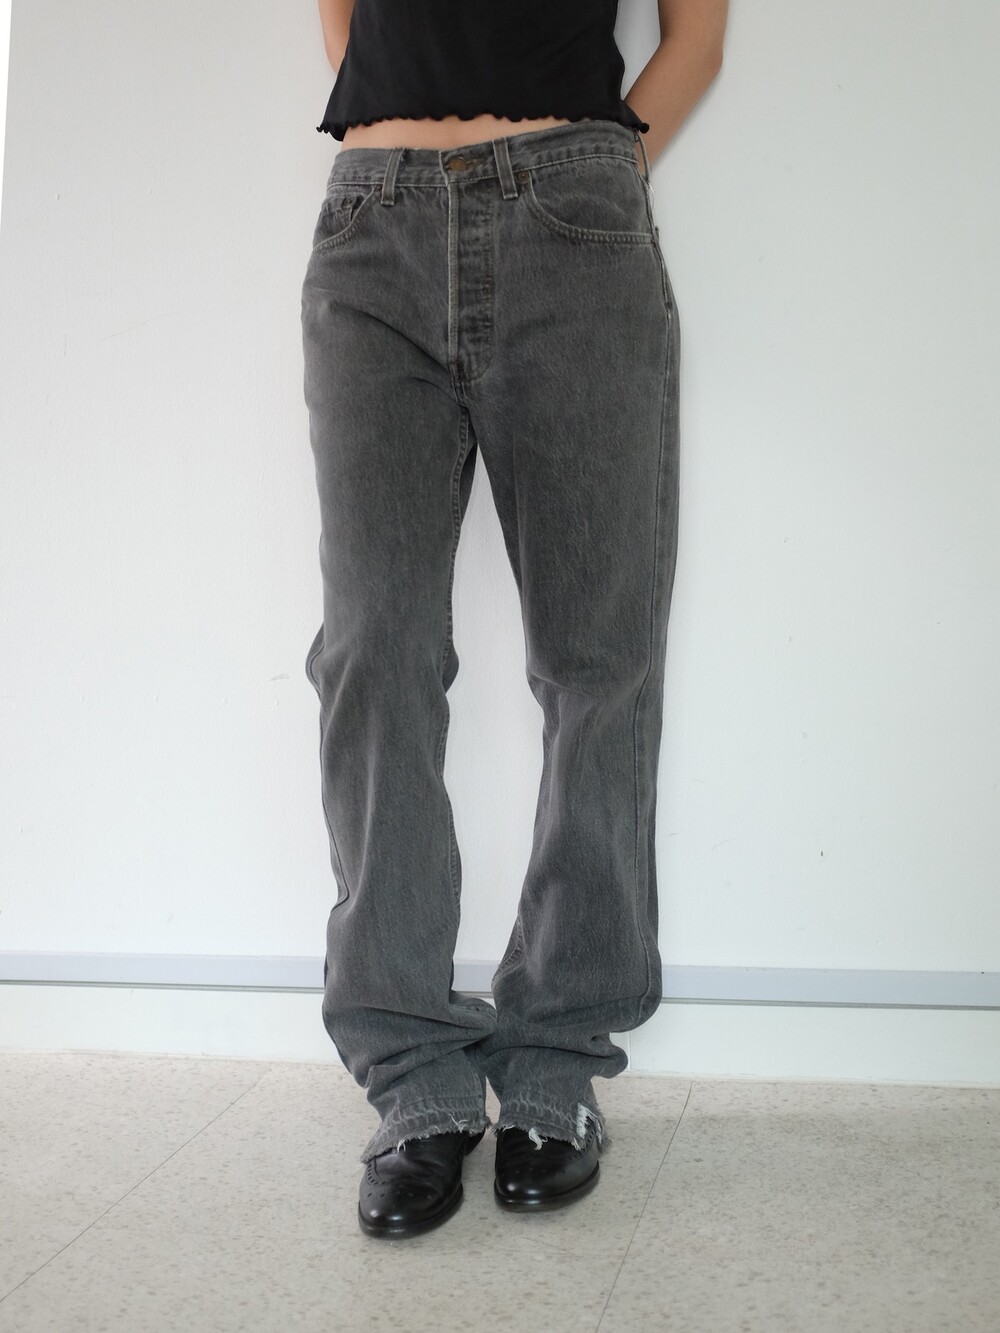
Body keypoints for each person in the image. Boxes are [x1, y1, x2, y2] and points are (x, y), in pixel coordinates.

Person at [301, 0, 728, 1239]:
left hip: (571, 216)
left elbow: (695, 42)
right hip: (371, 220)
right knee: (373, 650)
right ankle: (412, 1074)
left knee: (597, 655)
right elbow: (347, 26)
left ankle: (554, 1060)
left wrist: (585, 174)